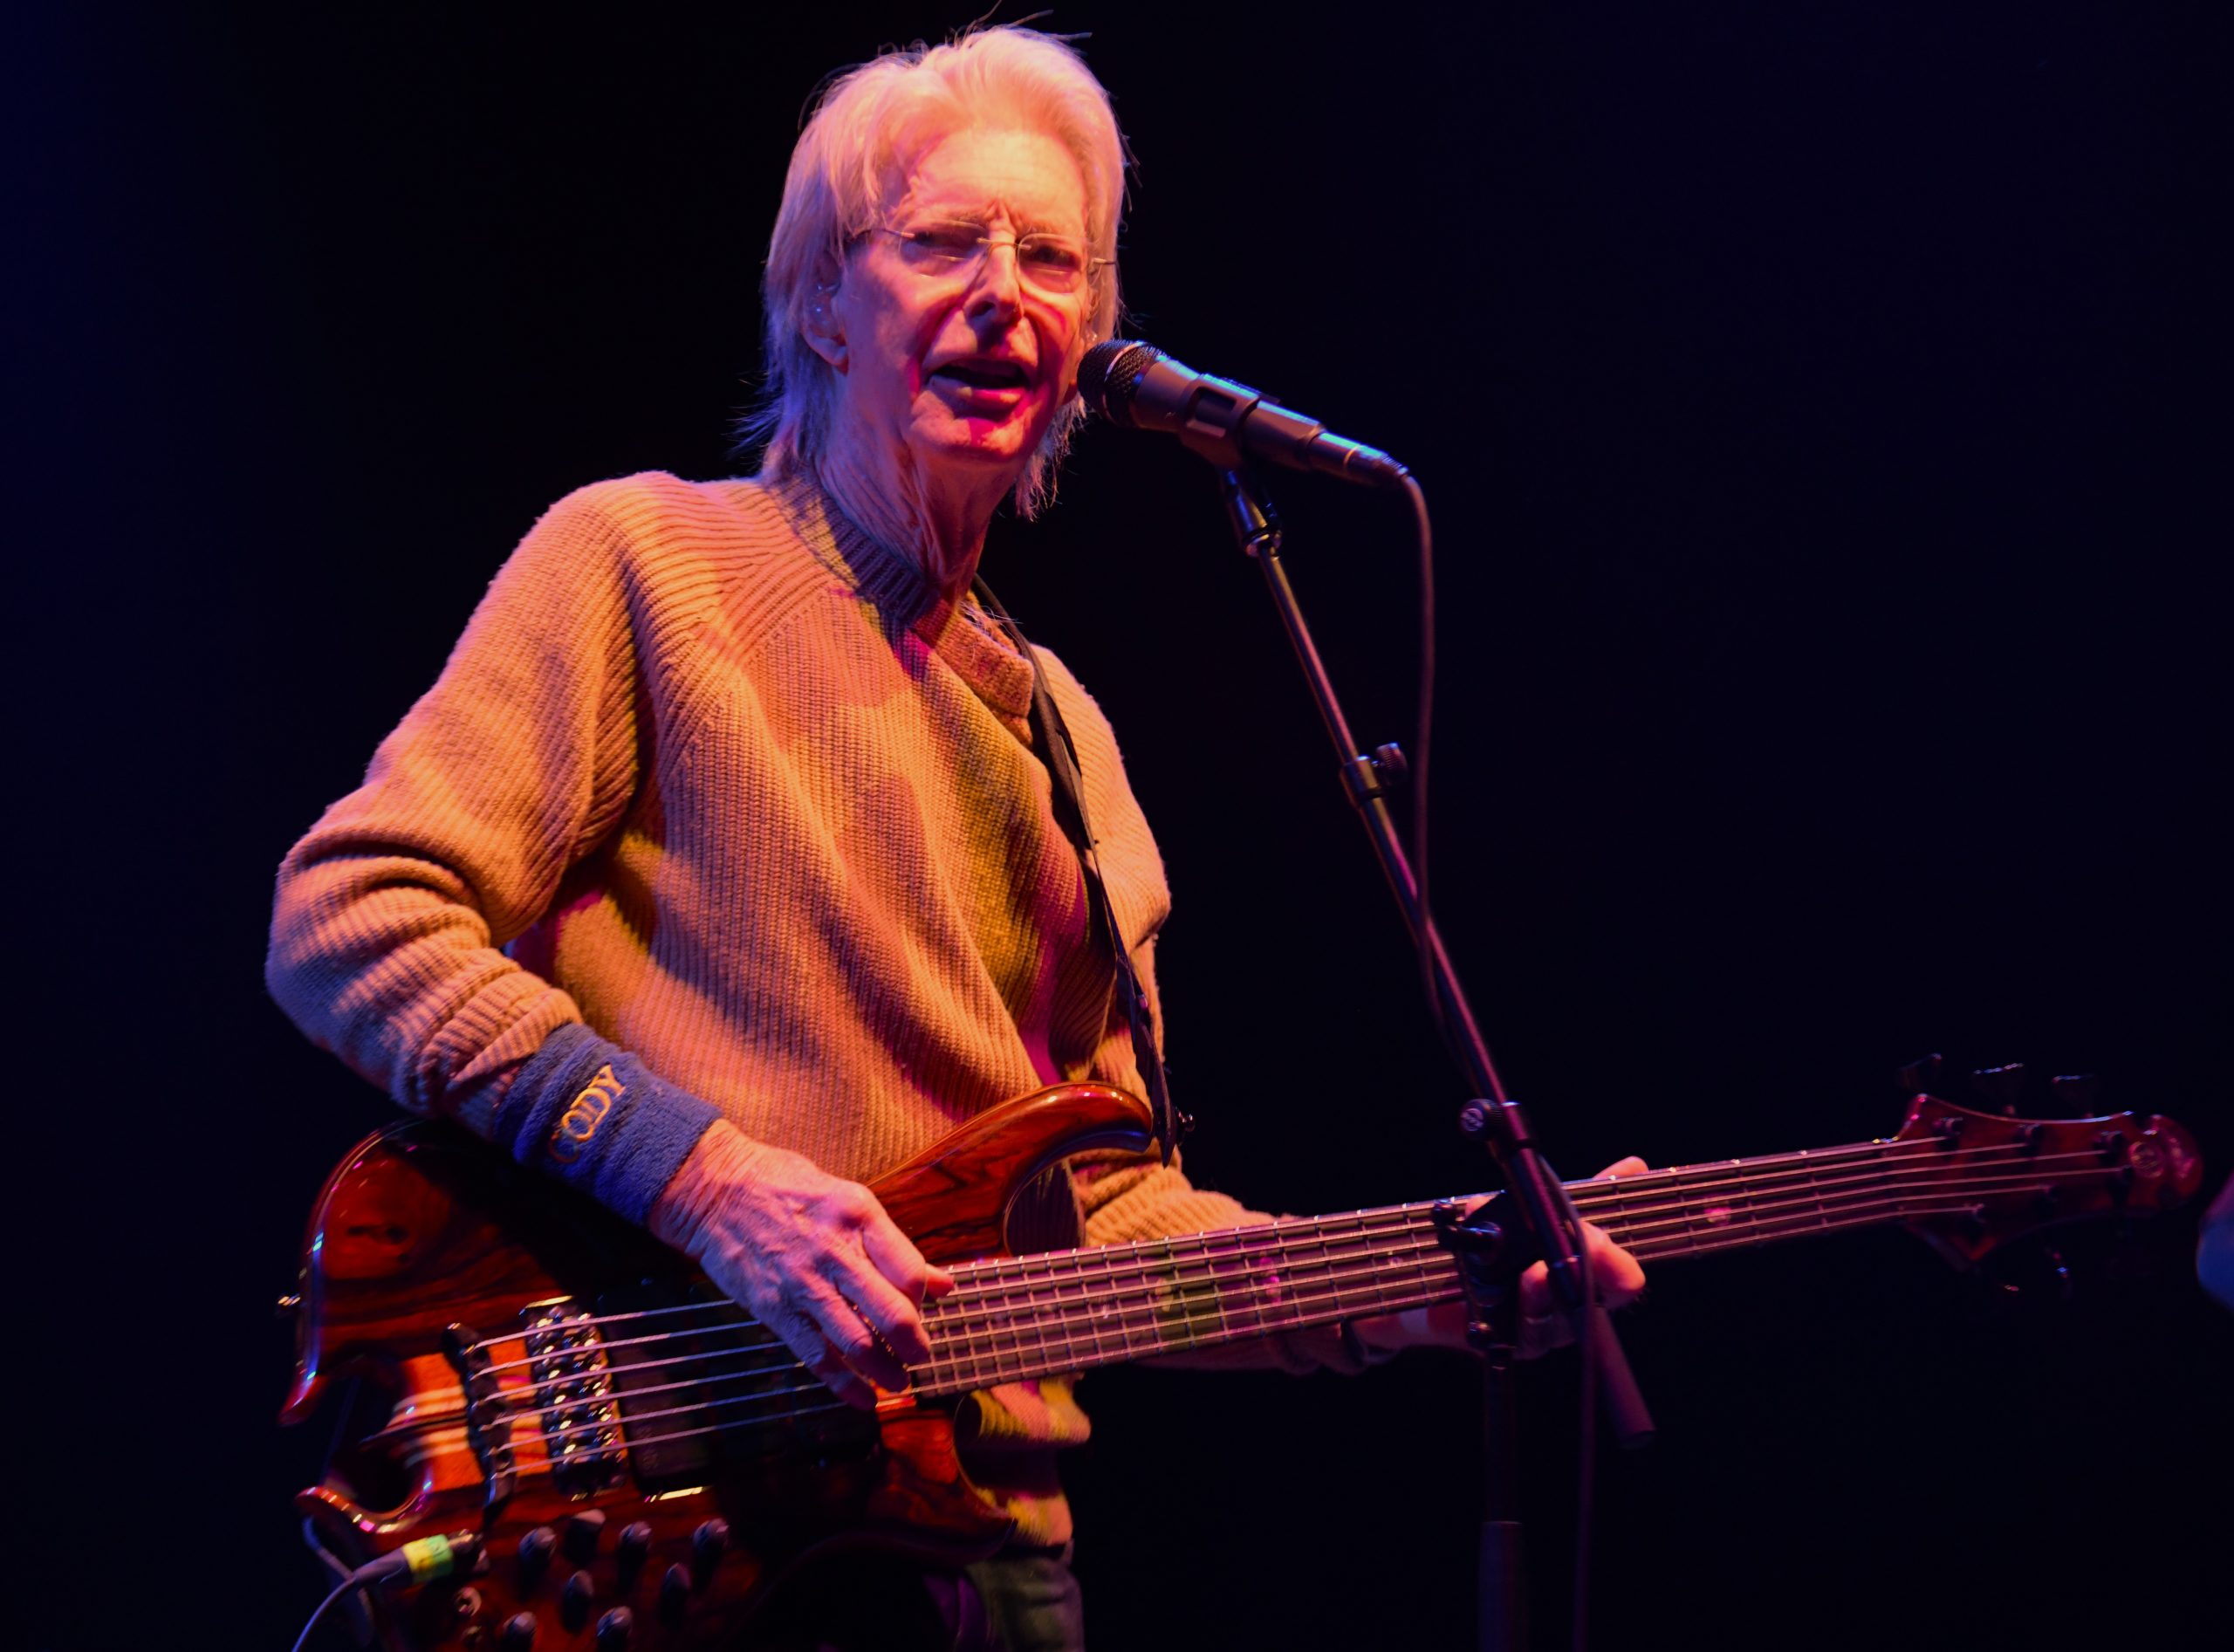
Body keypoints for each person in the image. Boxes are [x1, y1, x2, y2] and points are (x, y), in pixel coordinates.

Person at [266, 26, 1644, 1650]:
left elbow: (1108, 1221)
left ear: (1086, 341)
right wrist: (705, 1179)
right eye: (939, 241)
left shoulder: (1076, 748)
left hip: (987, 1556)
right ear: (825, 308)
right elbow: (353, 915)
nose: (1005, 288)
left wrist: (1399, 1292)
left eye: (1049, 256)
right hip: (670, 1519)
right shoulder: (646, 563)